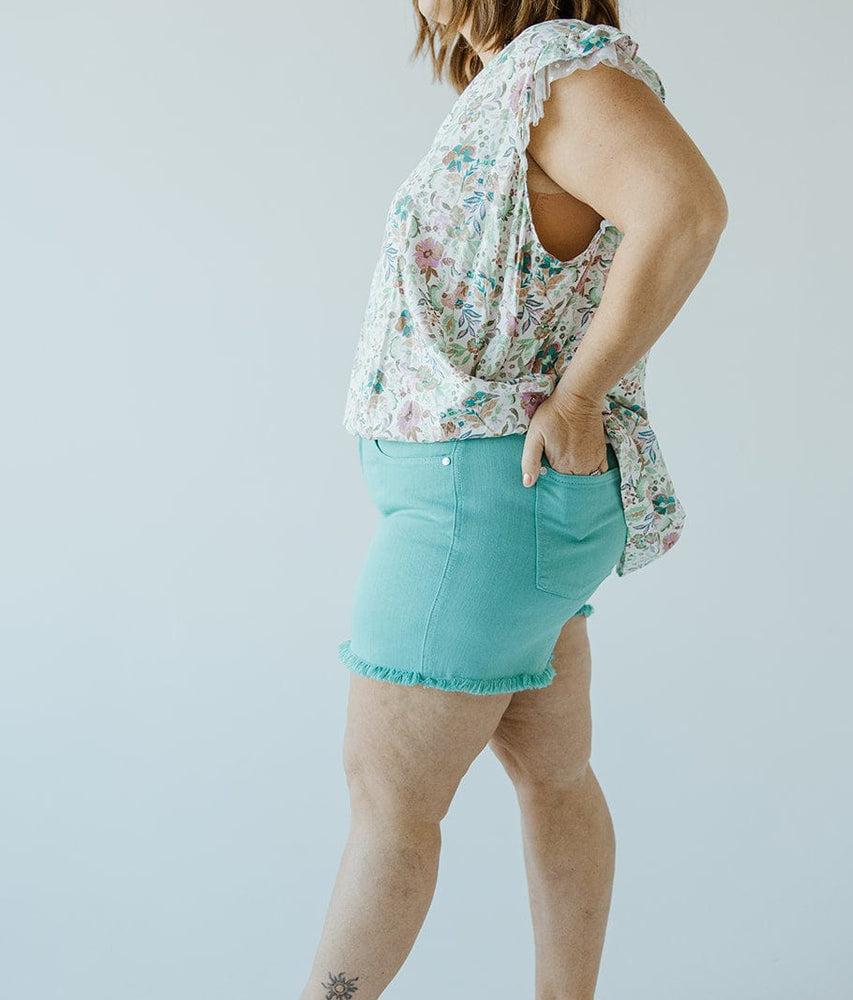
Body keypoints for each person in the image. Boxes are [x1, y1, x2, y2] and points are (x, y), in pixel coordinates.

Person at [298, 2, 727, 998]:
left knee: (387, 798)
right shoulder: (525, 79)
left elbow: (688, 206)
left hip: (477, 513)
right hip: (504, 511)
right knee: (552, 773)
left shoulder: (558, 68)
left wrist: (579, 397)